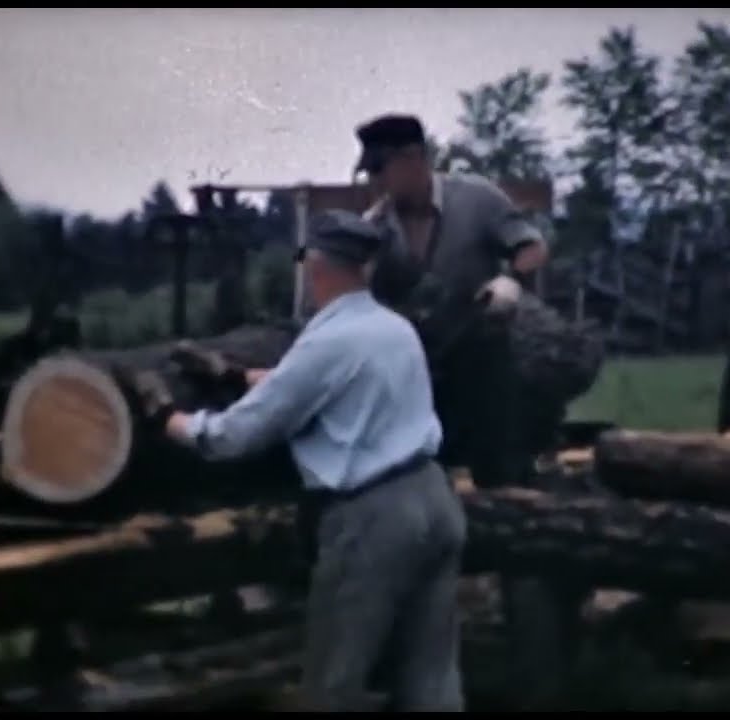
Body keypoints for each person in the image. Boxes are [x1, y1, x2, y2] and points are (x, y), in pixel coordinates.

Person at [128, 209, 468, 712]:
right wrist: (235, 374)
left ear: (316, 267)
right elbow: (327, 388)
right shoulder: (393, 329)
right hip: (435, 502)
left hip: (372, 519)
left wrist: (166, 420)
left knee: (335, 682)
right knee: (431, 681)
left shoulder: (328, 340)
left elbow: (233, 436)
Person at [354, 113, 548, 490]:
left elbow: (532, 246)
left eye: (381, 168)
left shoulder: (476, 198)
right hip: (417, 363)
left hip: (480, 353)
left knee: (500, 455)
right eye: (370, 171)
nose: (375, 181)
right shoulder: (375, 226)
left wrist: (510, 281)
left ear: (413, 159)